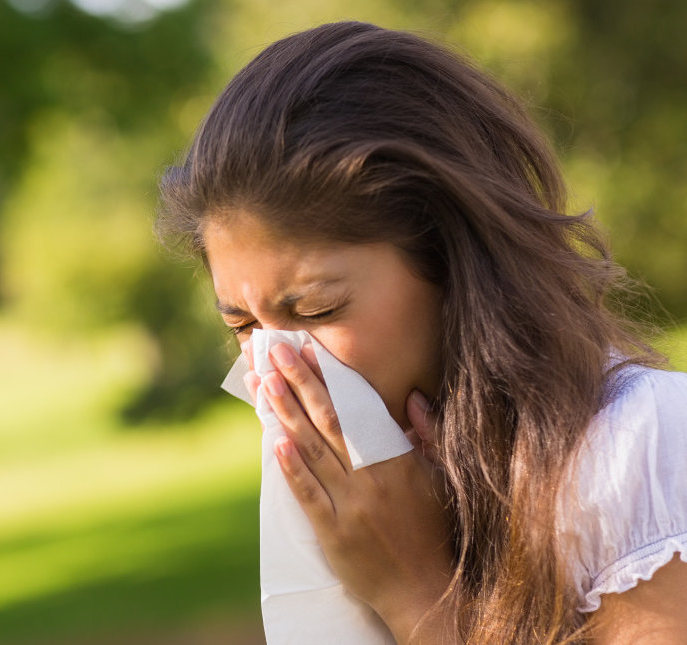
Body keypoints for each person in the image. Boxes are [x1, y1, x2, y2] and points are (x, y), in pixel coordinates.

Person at [156, 21, 687, 645]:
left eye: (318, 310)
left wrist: (414, 592)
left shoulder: (636, 451)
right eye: (243, 326)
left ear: (452, 264)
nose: (274, 372)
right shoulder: (368, 506)